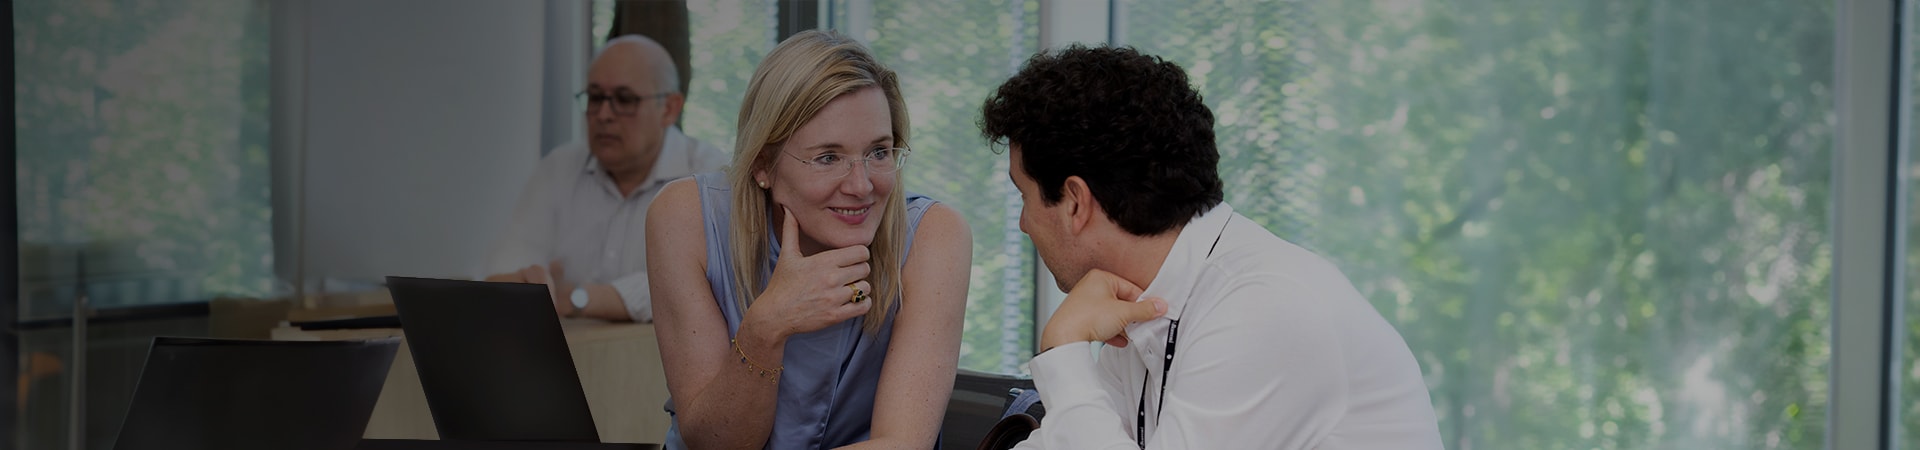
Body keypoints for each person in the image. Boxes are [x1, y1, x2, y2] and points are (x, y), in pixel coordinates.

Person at [981, 45, 1444, 449]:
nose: (1023, 225)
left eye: (1024, 198)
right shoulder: (1138, 302)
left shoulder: (1266, 306)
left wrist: (1063, 350)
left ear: (1076, 203)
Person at [645, 30, 972, 449]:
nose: (861, 185)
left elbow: (902, 444)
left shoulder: (934, 235)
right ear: (763, 164)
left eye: (879, 152)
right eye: (828, 158)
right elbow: (714, 442)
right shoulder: (685, 216)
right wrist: (766, 328)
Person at [485, 35, 727, 322]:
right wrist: (521, 282)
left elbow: (706, 285)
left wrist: (578, 298)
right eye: (596, 97)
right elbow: (500, 278)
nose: (603, 114)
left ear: (670, 109)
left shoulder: (710, 175)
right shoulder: (559, 168)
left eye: (624, 100)